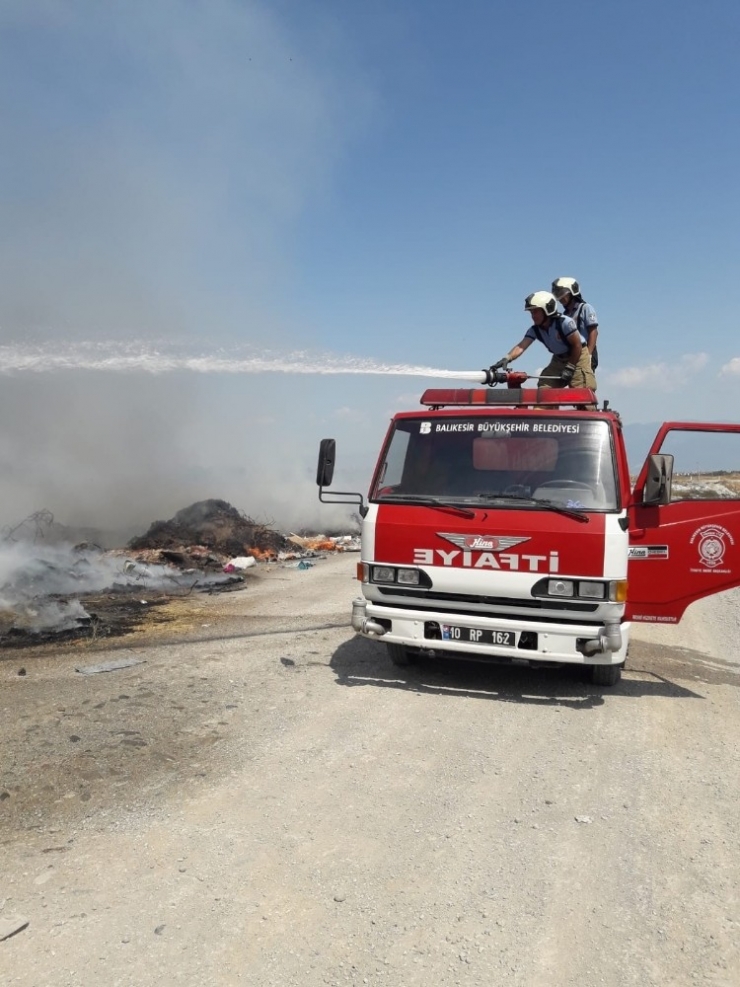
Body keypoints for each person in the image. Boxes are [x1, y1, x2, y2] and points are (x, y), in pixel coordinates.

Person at [488, 290, 596, 390]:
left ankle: (587, 409)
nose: (532, 316)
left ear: (548, 310)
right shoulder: (535, 330)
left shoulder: (565, 323)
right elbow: (521, 346)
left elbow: (577, 346)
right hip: (558, 359)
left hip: (578, 357)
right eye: (531, 313)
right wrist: (506, 359)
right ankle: (545, 410)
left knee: (582, 393)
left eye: (535, 312)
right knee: (544, 388)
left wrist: (570, 367)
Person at [551, 276, 599, 371]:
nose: (560, 298)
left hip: (585, 352)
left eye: (562, 293)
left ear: (572, 292)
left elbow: (593, 332)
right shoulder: (565, 315)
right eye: (557, 294)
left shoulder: (585, 308)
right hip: (571, 355)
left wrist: (588, 354)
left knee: (583, 383)